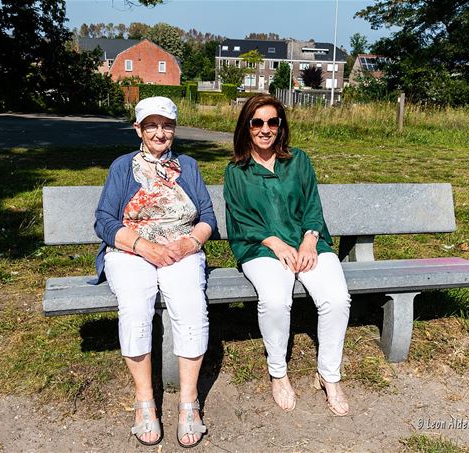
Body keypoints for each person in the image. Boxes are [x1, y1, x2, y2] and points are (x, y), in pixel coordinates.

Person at [94, 96, 216, 447]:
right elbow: (103, 220)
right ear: (139, 129)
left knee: (191, 304)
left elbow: (207, 217)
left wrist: (189, 244)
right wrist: (143, 246)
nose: (160, 133)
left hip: (181, 249)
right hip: (132, 250)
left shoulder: (189, 166)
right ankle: (145, 402)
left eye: (166, 125)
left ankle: (188, 403)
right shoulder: (122, 167)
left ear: (174, 130)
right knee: (135, 305)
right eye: (152, 125)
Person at [223, 94, 351, 416]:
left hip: (307, 243)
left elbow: (312, 206)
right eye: (257, 122)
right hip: (260, 247)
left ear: (280, 126)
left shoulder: (299, 160)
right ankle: (278, 373)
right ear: (246, 127)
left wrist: (309, 239)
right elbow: (242, 218)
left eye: (272, 122)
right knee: (276, 300)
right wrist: (277, 244)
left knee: (337, 299)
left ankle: (330, 375)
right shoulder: (236, 171)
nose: (265, 129)